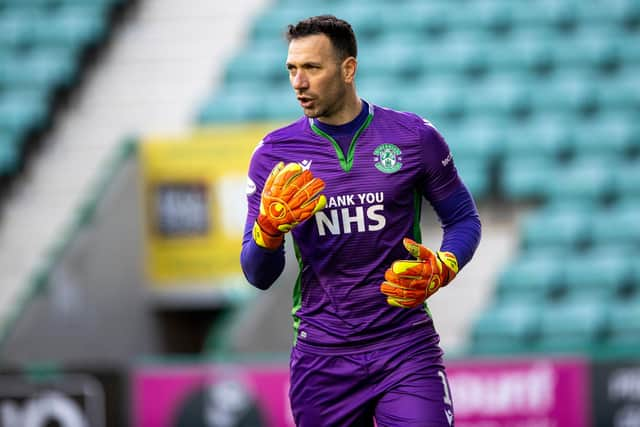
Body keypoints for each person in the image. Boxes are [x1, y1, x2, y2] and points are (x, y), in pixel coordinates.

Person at [240, 14, 481, 427]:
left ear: (348, 69)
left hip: (405, 346)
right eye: (292, 69)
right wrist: (267, 232)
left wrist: (447, 264)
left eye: (312, 68)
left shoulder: (413, 137)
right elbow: (258, 275)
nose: (298, 82)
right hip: (323, 358)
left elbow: (463, 219)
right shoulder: (274, 155)